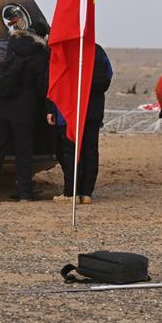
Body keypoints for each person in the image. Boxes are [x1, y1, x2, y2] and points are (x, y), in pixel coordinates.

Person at [0, 21, 50, 201]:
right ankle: (25, 193)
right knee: (24, 151)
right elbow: (42, 85)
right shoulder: (40, 54)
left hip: (1, 105)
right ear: (42, 37)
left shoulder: (13, 44)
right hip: (24, 109)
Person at [48, 44, 112, 204]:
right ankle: (86, 193)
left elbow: (55, 79)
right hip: (93, 110)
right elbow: (106, 78)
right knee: (90, 150)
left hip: (71, 109)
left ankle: (71, 193)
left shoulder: (66, 50)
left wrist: (80, 91)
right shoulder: (97, 50)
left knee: (71, 151)